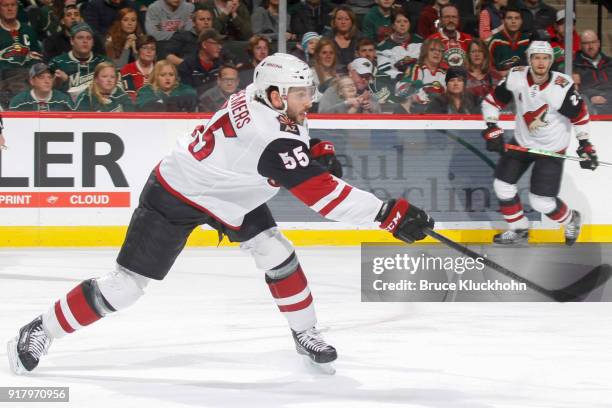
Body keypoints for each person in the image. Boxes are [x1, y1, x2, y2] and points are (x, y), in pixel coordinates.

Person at [7, 52, 434, 376]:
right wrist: (387, 213)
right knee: (126, 287)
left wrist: (310, 152)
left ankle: (305, 332)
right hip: (177, 193)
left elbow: (285, 149)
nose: (309, 100)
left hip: (230, 194)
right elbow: (325, 198)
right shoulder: (268, 135)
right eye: (301, 94)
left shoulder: (262, 98)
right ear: (276, 95)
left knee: (277, 253)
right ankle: (40, 329)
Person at [481, 41, 597, 245]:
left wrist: (585, 145)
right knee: (502, 186)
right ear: (529, 59)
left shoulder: (561, 86)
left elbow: (580, 116)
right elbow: (491, 102)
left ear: (551, 61)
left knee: (541, 202)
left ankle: (571, 219)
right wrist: (492, 127)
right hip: (522, 143)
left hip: (551, 149)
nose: (541, 62)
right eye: (536, 57)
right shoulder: (516, 76)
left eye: (545, 58)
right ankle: (519, 228)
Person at [49, 22, 110, 101]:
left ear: (93, 42)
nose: (85, 41)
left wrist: (68, 82)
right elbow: (47, 93)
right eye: (80, 37)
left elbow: (114, 90)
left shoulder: (104, 62)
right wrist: (56, 83)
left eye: (89, 38)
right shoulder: (57, 63)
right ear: (72, 41)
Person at [572, 30, 612, 115]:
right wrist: (591, 96)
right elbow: (574, 90)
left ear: (598, 43)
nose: (590, 46)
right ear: (580, 45)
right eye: (586, 43)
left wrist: (608, 98)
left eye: (593, 42)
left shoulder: (609, 63)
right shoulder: (574, 65)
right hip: (589, 105)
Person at [9, 63, 73, 111]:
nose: (47, 81)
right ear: (32, 81)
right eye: (41, 77)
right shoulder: (19, 102)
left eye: (50, 77)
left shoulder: (64, 100)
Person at [426, 4, 473, 68]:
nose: (451, 20)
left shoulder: (468, 39)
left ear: (458, 19)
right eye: (447, 17)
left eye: (454, 17)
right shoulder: (432, 40)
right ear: (440, 19)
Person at [488, 7, 530, 75]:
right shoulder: (495, 41)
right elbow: (487, 67)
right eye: (509, 18)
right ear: (503, 21)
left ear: (521, 21)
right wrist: (499, 74)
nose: (513, 21)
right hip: (501, 80)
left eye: (517, 18)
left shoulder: (527, 40)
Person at [120, 35, 157, 101]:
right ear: (138, 50)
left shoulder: (160, 69)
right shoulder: (127, 69)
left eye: (152, 48)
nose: (149, 51)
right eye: (145, 48)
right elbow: (130, 96)